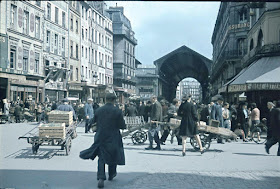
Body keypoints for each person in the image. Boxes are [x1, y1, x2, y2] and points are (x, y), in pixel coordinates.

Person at [79, 92, 126, 188]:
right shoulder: (117, 111)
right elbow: (122, 125)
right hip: (113, 137)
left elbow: (93, 121)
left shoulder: (99, 110)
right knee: (113, 155)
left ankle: (101, 177)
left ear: (106, 99)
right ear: (114, 100)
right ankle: (112, 174)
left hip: (101, 136)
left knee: (101, 157)